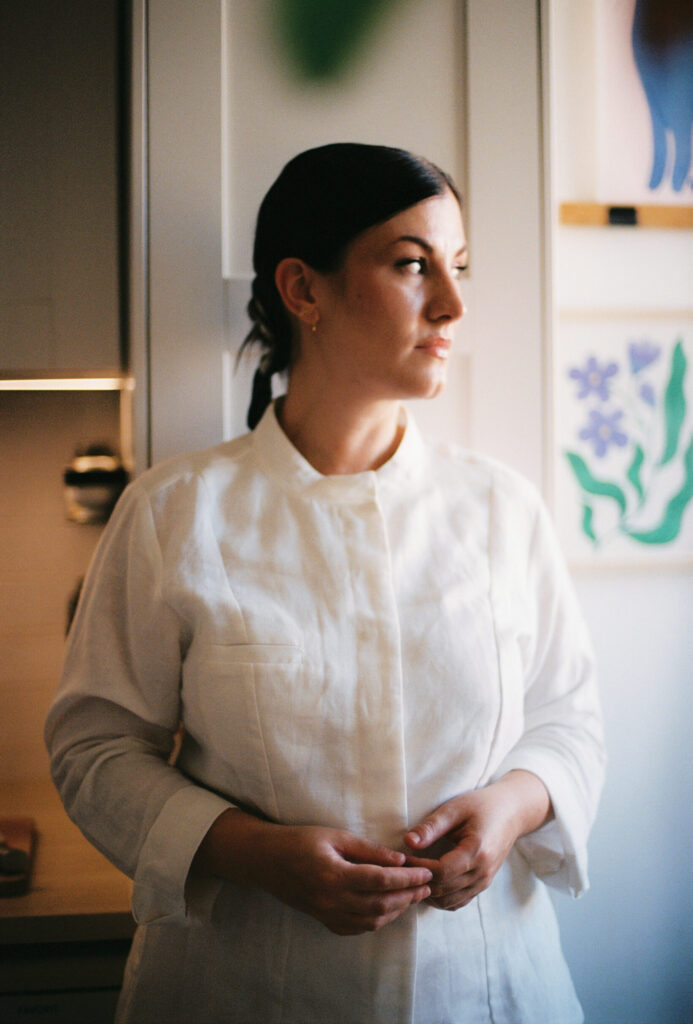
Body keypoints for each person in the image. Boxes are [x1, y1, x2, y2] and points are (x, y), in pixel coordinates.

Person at [45, 143, 605, 1024]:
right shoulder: (173, 513)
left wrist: (509, 808)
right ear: (303, 289)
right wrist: (250, 853)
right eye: (413, 265)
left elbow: (568, 722)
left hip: (487, 988)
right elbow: (94, 748)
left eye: (457, 267)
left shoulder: (503, 510)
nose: (453, 304)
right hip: (242, 989)